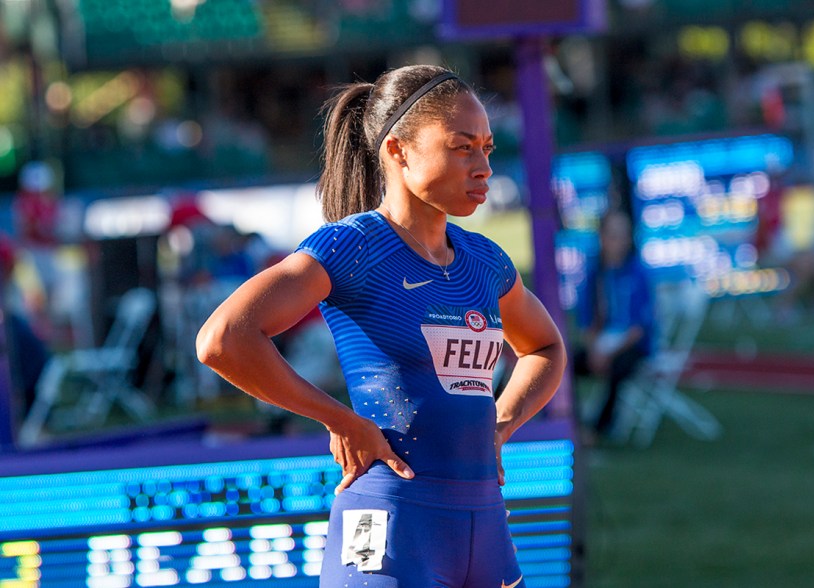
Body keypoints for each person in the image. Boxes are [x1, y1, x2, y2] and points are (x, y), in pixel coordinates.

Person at [196, 65, 566, 586]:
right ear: (398, 150)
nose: (483, 166)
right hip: (390, 522)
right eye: (462, 147)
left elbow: (546, 347)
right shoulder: (352, 246)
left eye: (487, 147)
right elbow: (223, 340)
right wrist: (340, 421)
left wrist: (502, 424)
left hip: (485, 524)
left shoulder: (485, 261)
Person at [574, 209, 654, 439]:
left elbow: (639, 329)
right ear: (601, 237)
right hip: (601, 342)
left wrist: (607, 353)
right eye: (612, 235)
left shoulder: (637, 273)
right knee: (562, 362)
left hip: (632, 346)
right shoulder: (594, 273)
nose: (617, 241)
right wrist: (594, 349)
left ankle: (599, 429)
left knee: (619, 367)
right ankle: (571, 419)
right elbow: (586, 320)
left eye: (622, 235)